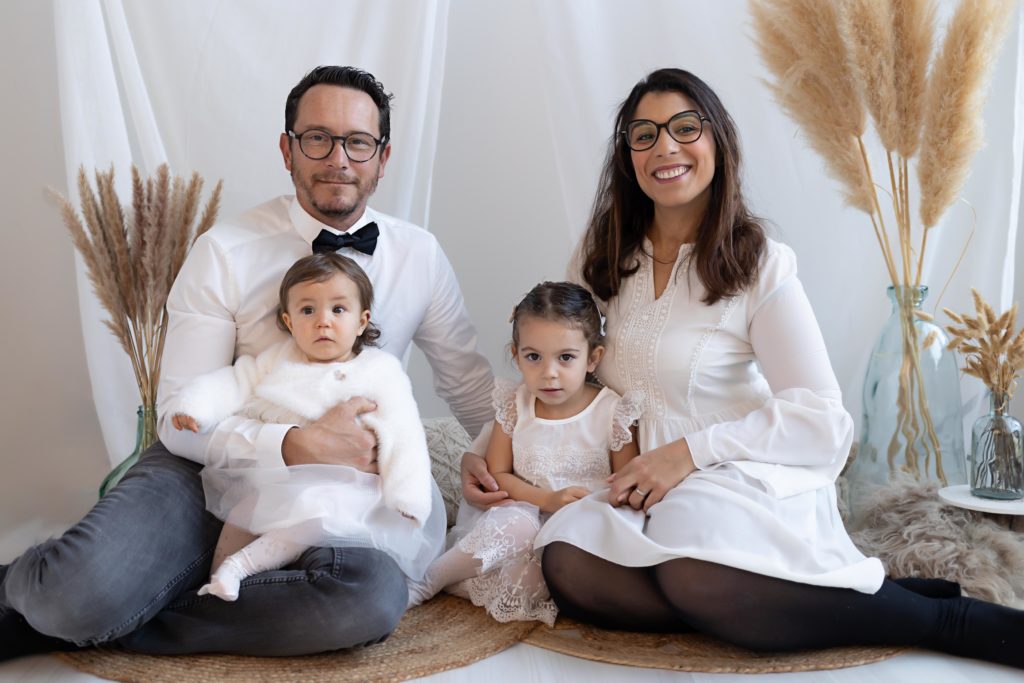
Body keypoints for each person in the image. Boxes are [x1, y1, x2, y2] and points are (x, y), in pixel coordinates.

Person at [466, 68, 1024, 670]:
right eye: (644, 134)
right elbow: (555, 367)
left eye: (685, 128)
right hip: (632, 488)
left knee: (697, 575)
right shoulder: (601, 256)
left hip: (733, 478)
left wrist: (688, 454)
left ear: (718, 141)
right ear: (627, 155)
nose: (665, 148)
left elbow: (821, 417)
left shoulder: (757, 262)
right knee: (569, 564)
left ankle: (940, 617)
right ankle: (799, 595)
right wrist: (484, 451)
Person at [1, 65, 493, 659]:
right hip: (205, 472)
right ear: (288, 150)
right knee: (70, 596)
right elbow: (183, 421)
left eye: (358, 142)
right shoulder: (226, 250)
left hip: (344, 496)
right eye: (318, 138)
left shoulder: (419, 253)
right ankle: (42, 595)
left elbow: (468, 382)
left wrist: (513, 465)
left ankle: (130, 614)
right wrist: (292, 444)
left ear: (382, 158)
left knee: (367, 597)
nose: (339, 157)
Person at [168, 252, 442, 602]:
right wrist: (196, 407)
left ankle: (241, 568)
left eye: (338, 310)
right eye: (308, 311)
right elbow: (236, 381)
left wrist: (407, 495)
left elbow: (404, 433)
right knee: (241, 513)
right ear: (289, 321)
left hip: (352, 489)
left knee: (312, 511)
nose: (323, 322)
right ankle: (214, 587)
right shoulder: (277, 359)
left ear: (362, 320)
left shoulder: (380, 371)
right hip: (281, 476)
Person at [407, 282, 642, 625]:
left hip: (577, 523)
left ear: (593, 358)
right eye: (534, 357)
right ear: (516, 356)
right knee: (516, 527)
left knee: (535, 579)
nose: (549, 372)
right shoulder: (515, 404)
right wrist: (546, 499)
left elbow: (625, 484)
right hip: (524, 511)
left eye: (566, 358)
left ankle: (469, 579)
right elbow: (499, 474)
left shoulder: (613, 412)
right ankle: (431, 578)